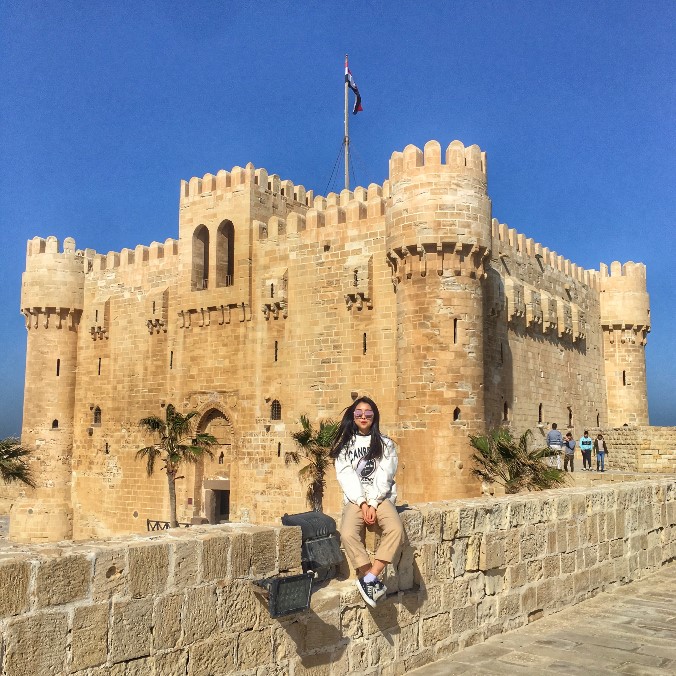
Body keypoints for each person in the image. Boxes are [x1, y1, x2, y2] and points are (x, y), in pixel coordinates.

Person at [331, 396, 405, 608]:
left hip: (380, 498)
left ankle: (371, 576)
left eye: (368, 413)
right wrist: (362, 503)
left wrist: (373, 503)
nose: (363, 417)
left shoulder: (385, 444)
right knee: (347, 533)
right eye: (359, 413)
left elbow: (385, 475)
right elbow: (346, 476)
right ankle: (369, 578)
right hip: (356, 499)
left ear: (374, 416)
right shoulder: (345, 446)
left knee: (395, 530)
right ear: (353, 416)